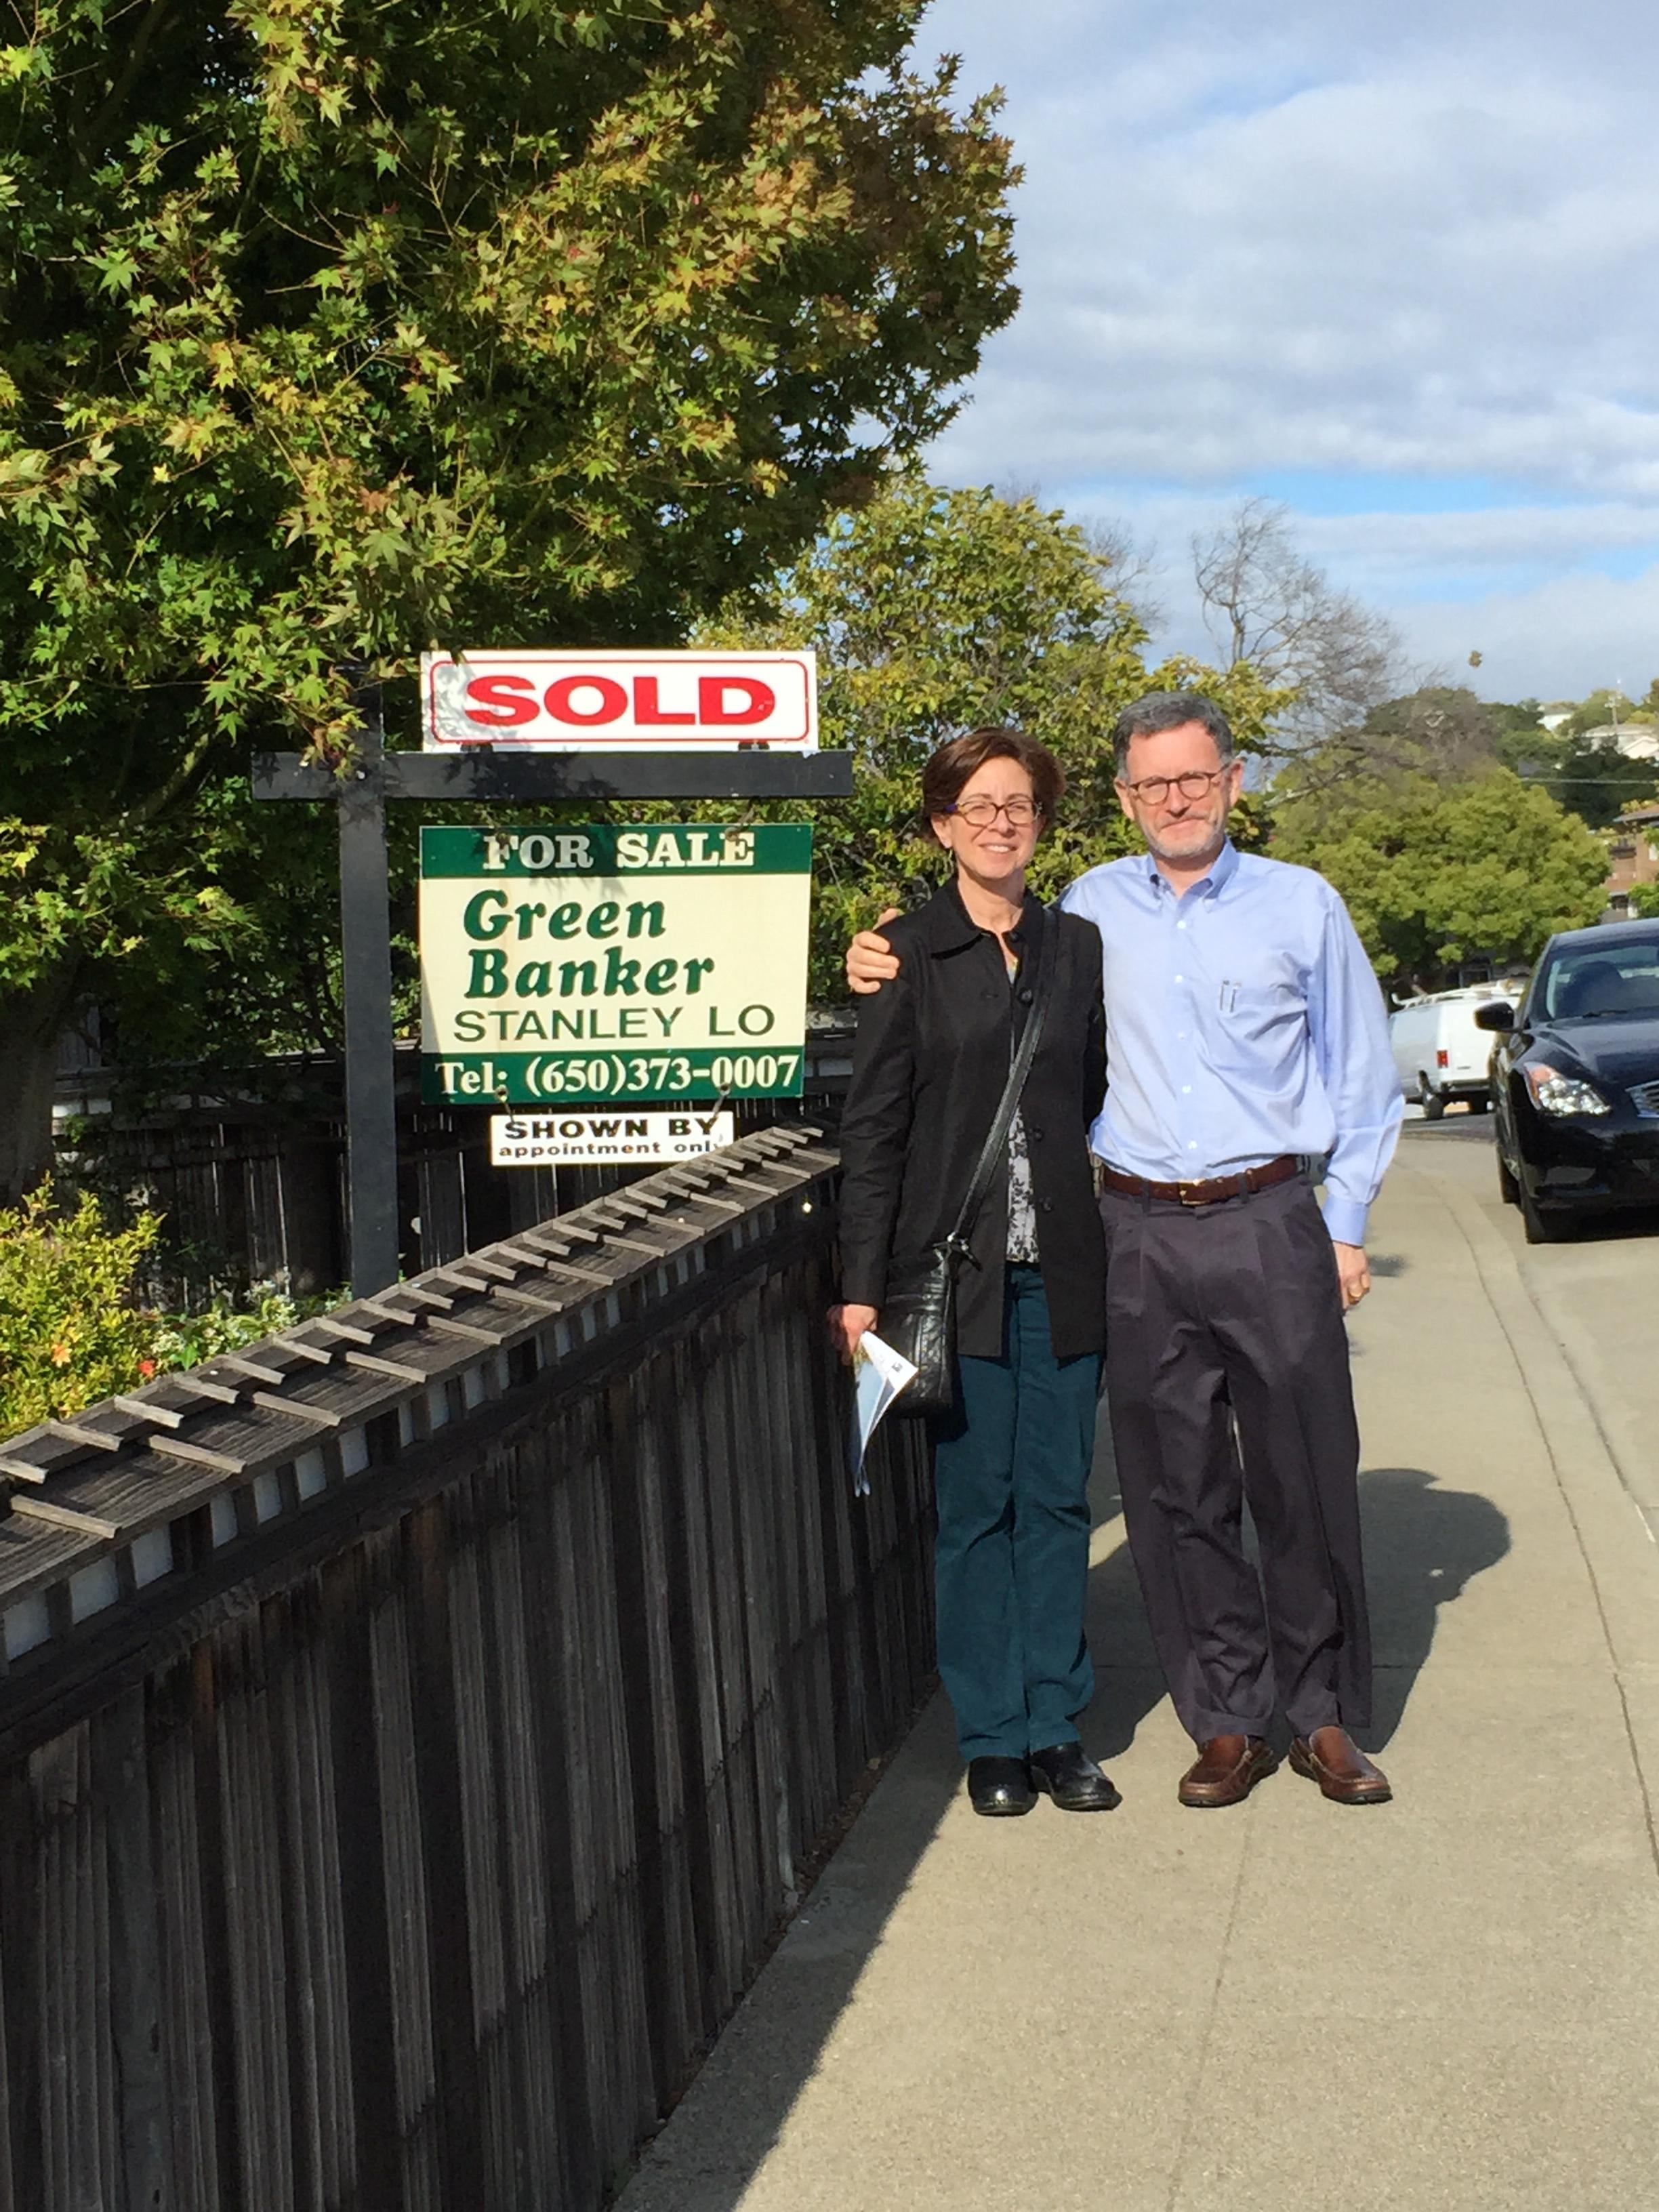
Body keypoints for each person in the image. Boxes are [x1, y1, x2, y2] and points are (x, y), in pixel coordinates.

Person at [847, 691, 1404, 1809]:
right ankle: (1227, 1718)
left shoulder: (1301, 906)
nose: (1176, 800)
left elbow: (1361, 1074)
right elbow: (976, 1038)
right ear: (1121, 799)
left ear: (1234, 782)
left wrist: (1344, 1224)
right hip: (1136, 1230)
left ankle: (1323, 1713)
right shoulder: (1089, 915)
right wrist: (873, 961)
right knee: (1173, 1490)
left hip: (1267, 1217)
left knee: (1300, 1477)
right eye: (1152, 785)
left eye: (1195, 778)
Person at [830, 727, 1118, 1818]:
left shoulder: (1077, 946)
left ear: (1043, 820)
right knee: (973, 1507)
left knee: (1054, 1502)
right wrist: (862, 1286)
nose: (1002, 821)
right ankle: (991, 1733)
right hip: (955, 1279)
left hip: (1067, 1276)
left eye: (1022, 804)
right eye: (979, 805)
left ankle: (1055, 1725)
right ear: (943, 824)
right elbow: (877, 1134)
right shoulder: (905, 953)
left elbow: (1086, 1091)